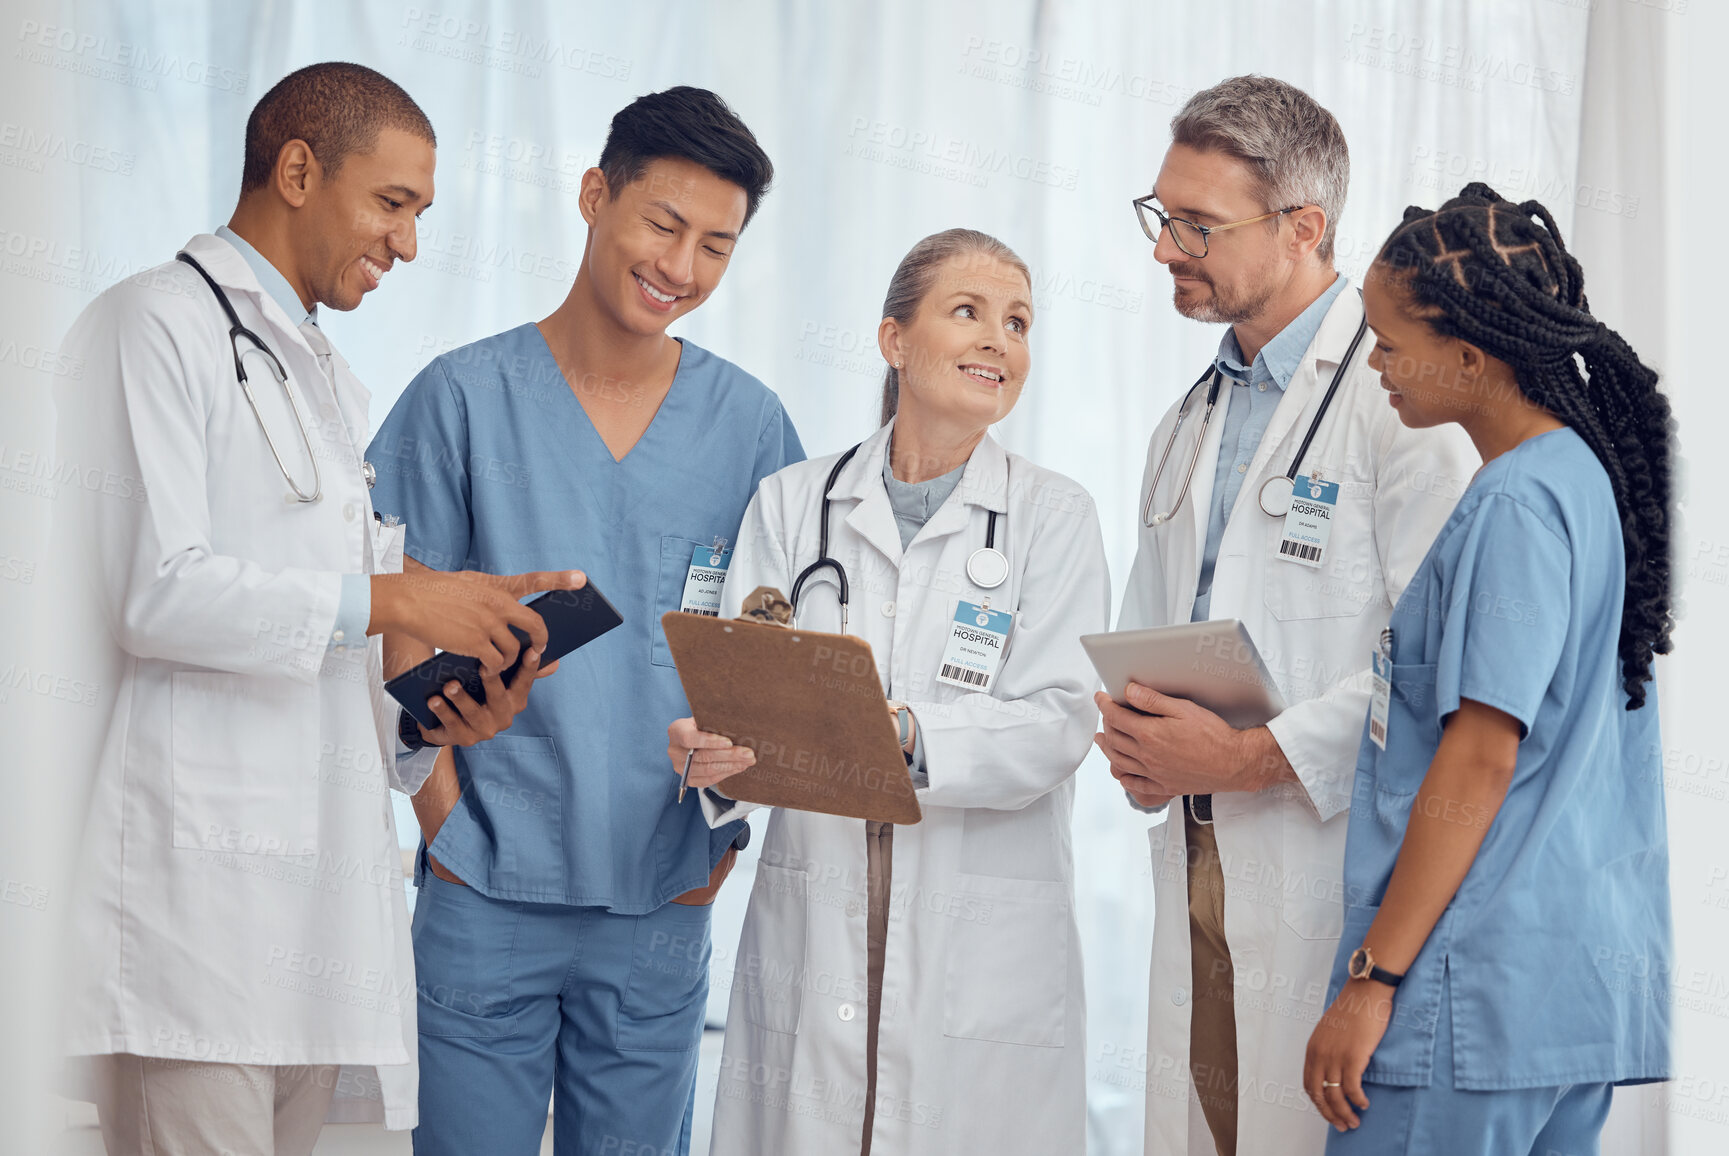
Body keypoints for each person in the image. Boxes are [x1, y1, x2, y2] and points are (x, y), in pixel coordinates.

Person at [55, 63, 580, 1155]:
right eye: (394, 204)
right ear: (297, 170)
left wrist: (426, 716)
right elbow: (152, 591)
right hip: (190, 912)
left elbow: (326, 645)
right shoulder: (150, 325)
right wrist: (398, 594)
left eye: (422, 215)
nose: (409, 245)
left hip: (318, 915)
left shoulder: (326, 383)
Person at [367, 87, 803, 1156]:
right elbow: (393, 617)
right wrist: (445, 824)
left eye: (716, 245)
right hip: (486, 881)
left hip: (664, 887)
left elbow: (777, 656)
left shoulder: (750, 427)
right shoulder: (462, 398)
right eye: (663, 224)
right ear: (593, 194)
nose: (682, 268)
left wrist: (716, 857)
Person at [1094, 76, 1478, 1156]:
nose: (1165, 247)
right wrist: (1134, 738)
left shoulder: (1398, 400)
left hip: (1332, 864)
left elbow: (1440, 665)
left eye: (1196, 226)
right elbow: (1150, 621)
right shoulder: (1188, 417)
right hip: (1198, 845)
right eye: (1160, 215)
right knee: (1205, 1124)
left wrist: (1254, 755)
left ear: (1303, 228)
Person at [671, 228, 1109, 1155]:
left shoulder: (1052, 516)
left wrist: (898, 733)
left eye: (1018, 322)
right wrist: (711, 761)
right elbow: (741, 702)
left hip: (978, 938)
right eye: (969, 312)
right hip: (817, 908)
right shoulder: (793, 504)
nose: (1000, 339)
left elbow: (1058, 720)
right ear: (893, 340)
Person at [1301, 183, 1673, 1153]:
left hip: (1466, 995)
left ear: (1469, 358)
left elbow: (1479, 757)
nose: (1371, 365)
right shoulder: (1581, 483)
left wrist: (1371, 980)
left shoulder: (1513, 504)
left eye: (1384, 342)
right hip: (1560, 995)